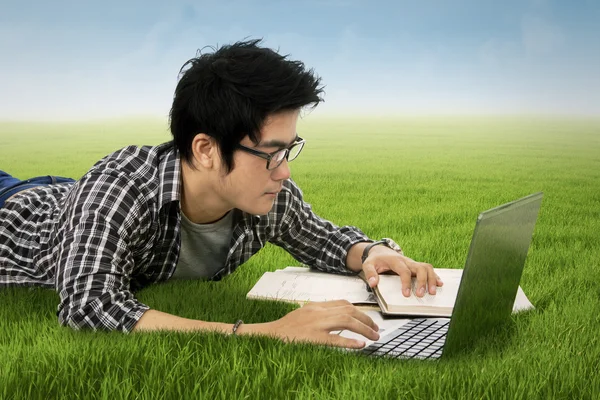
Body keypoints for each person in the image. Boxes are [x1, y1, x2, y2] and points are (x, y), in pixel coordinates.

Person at [0, 39, 442, 349]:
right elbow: (88, 306)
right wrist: (264, 331)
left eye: (289, 151)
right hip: (18, 212)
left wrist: (369, 253)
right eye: (271, 153)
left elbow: (319, 236)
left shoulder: (266, 195)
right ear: (206, 149)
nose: (284, 171)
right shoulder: (124, 188)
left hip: (69, 196)